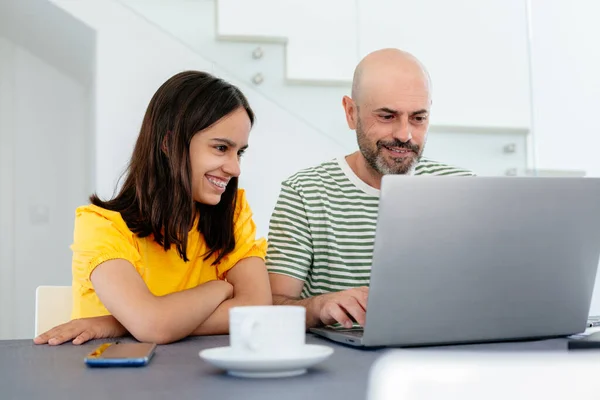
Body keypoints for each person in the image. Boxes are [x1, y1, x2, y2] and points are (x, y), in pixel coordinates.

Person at [34, 71, 271, 345]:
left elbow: (257, 310)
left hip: (199, 379)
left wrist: (120, 324)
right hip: (113, 383)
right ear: (168, 143)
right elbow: (154, 326)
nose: (234, 168)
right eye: (220, 148)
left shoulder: (232, 214)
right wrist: (219, 288)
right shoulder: (101, 225)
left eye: (239, 152)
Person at [266, 48, 475, 330]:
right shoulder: (305, 193)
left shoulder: (464, 190)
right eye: (387, 116)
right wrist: (318, 306)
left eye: (418, 118)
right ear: (351, 113)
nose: (404, 134)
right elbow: (269, 308)